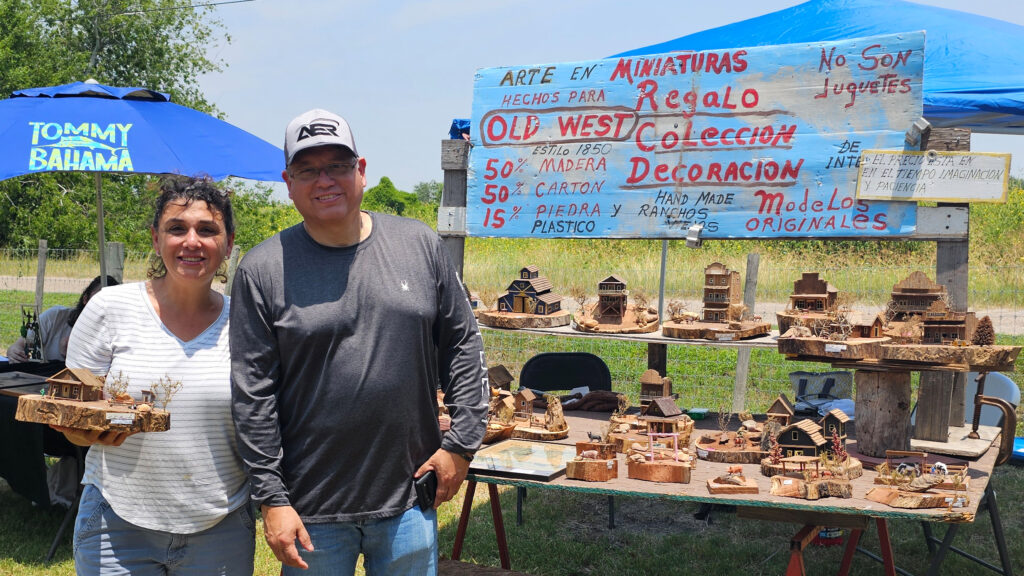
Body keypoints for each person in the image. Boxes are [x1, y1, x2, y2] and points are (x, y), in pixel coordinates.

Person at [230, 109, 488, 575]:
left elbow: (463, 347)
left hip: (409, 497)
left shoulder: (420, 246)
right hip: (310, 509)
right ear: (288, 182)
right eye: (308, 170)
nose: (324, 180)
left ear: (361, 171)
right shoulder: (262, 270)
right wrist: (271, 498)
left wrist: (461, 445)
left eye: (338, 166)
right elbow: (253, 396)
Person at [55, 177, 253, 575]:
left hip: (221, 523)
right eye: (177, 228)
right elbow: (69, 414)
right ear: (156, 238)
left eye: (208, 230)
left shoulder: (248, 321)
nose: (191, 241)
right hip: (116, 519)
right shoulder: (109, 309)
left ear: (229, 244)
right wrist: (87, 431)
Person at [6, 275, 119, 363]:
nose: (102, 307)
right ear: (85, 299)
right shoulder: (55, 316)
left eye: (111, 303)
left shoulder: (116, 334)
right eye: (97, 300)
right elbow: (22, 343)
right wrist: (14, 350)